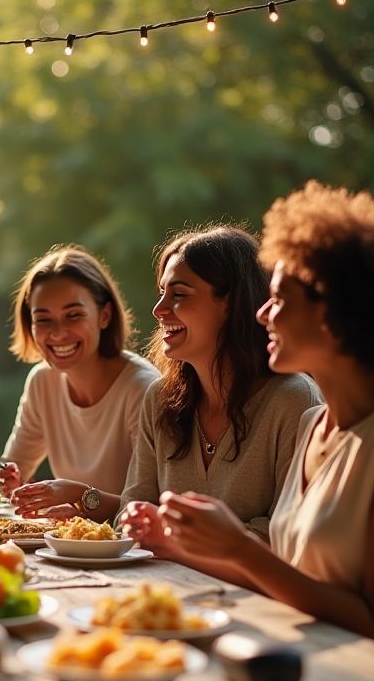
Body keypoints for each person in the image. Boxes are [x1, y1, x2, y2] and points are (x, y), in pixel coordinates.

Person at [135, 182, 374, 663]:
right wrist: (176, 547)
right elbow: (286, 577)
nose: (262, 313)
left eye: (281, 299)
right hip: (304, 645)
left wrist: (239, 548)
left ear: (335, 315)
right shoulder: (315, 423)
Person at [119, 227, 320, 549]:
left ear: (231, 303)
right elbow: (132, 506)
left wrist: (173, 540)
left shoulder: (293, 399)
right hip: (162, 587)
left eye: (179, 294)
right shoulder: (159, 399)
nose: (159, 309)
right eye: (161, 293)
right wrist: (136, 519)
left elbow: (288, 530)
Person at [0, 245, 159, 523]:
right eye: (43, 319)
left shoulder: (143, 388)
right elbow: (9, 466)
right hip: (70, 547)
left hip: (134, 552)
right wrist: (5, 481)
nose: (58, 333)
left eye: (73, 315)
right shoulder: (42, 381)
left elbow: (151, 505)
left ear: (105, 316)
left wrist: (81, 499)